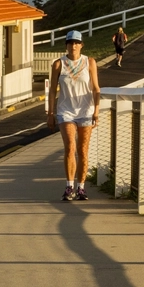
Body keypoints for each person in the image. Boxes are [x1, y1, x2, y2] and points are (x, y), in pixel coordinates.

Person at [47, 31, 100, 201]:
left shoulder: (89, 62)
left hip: (85, 111)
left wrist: (96, 111)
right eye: (70, 43)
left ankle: (81, 188)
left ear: (81, 45)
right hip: (66, 111)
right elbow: (52, 91)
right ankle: (69, 186)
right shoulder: (58, 64)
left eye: (77, 43)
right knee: (70, 147)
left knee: (82, 150)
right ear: (66, 45)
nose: (73, 46)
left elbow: (96, 89)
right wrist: (51, 113)